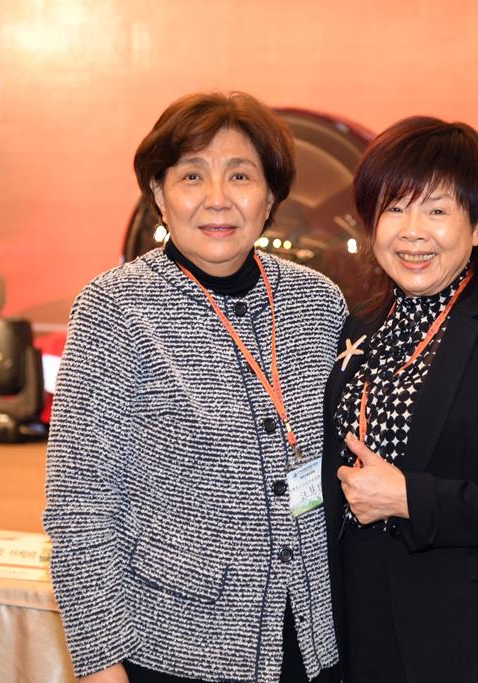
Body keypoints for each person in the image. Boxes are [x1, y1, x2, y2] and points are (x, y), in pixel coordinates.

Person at [44, 92, 346, 683]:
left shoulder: (317, 302)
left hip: (313, 641)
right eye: (191, 176)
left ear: (270, 197)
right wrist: (101, 663)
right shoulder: (115, 309)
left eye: (241, 176)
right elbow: (79, 502)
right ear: (158, 194)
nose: (217, 198)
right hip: (176, 649)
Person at [321, 116, 478, 682]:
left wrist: (411, 498)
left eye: (436, 211)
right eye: (394, 208)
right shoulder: (356, 329)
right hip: (364, 632)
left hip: (474, 641)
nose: (412, 232)